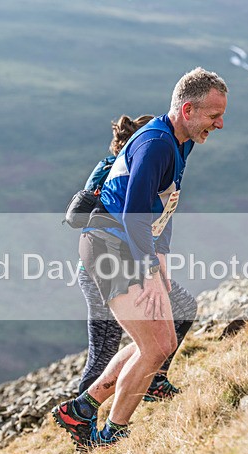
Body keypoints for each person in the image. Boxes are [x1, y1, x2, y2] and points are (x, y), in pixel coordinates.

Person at [53, 67, 228, 450]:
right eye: (214, 116)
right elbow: (134, 212)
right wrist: (149, 271)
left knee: (159, 342)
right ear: (187, 110)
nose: (220, 124)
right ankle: (109, 435)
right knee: (155, 347)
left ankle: (82, 410)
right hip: (109, 248)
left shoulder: (181, 142)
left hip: (124, 246)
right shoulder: (157, 144)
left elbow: (161, 206)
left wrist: (160, 262)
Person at [76, 114, 198, 399]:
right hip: (107, 266)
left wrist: (160, 255)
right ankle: (83, 415)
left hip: (128, 262)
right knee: (104, 349)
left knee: (181, 309)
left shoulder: (149, 166)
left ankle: (153, 379)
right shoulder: (130, 168)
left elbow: (163, 215)